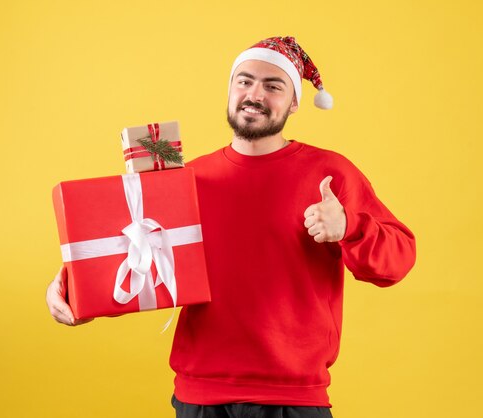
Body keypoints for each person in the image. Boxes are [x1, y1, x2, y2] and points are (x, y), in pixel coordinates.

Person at [47, 36, 416, 418]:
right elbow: (137, 257)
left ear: (293, 102)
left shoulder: (331, 174)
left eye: (273, 86)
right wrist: (72, 292)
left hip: (294, 399)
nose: (254, 94)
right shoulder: (186, 179)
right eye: (244, 81)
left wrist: (350, 226)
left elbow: (399, 260)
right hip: (200, 398)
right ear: (229, 91)